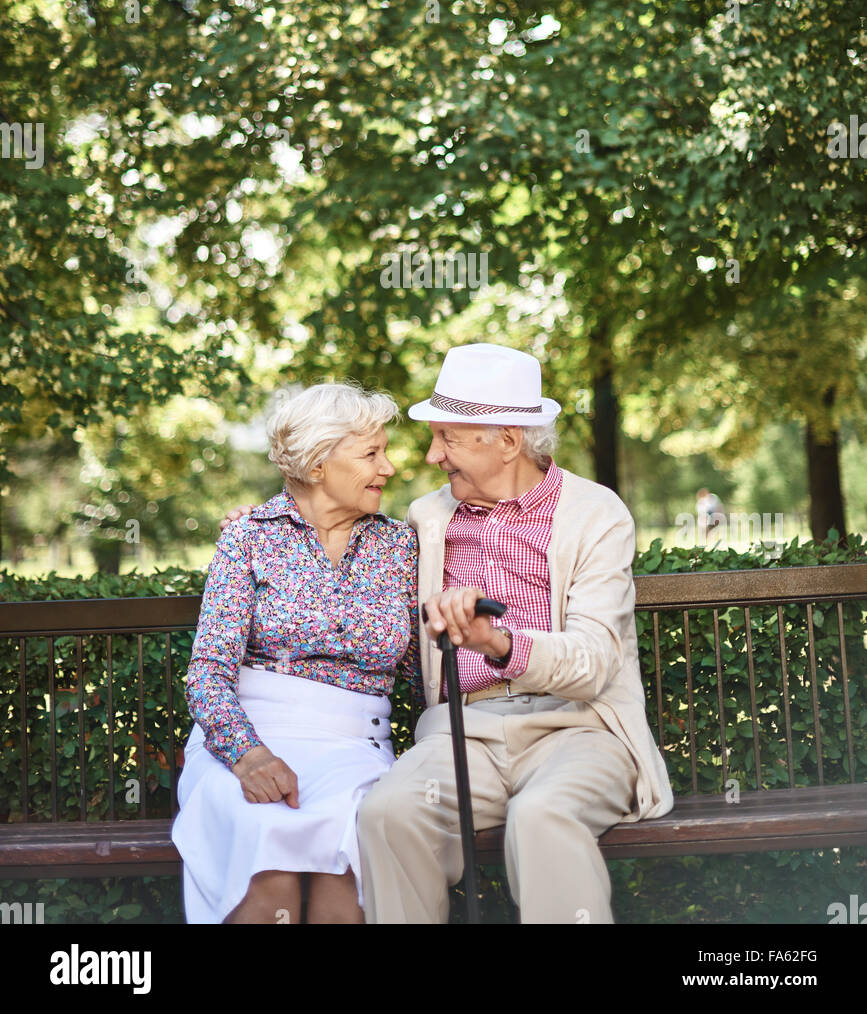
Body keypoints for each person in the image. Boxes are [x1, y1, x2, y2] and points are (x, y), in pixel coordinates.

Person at [356, 342, 674, 924]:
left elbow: (595, 660)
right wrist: (270, 526)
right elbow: (348, 568)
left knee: (542, 814)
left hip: (579, 728)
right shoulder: (427, 518)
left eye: (447, 437)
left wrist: (499, 643)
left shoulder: (595, 514)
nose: (431, 457)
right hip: (463, 734)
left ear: (506, 440)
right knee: (388, 813)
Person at [171, 382, 422, 924]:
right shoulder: (249, 538)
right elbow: (209, 672)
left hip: (353, 746)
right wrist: (247, 754)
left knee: (346, 857)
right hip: (248, 739)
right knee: (268, 857)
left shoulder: (400, 544)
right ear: (316, 465)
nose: (390, 467)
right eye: (372, 453)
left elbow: (424, 674)